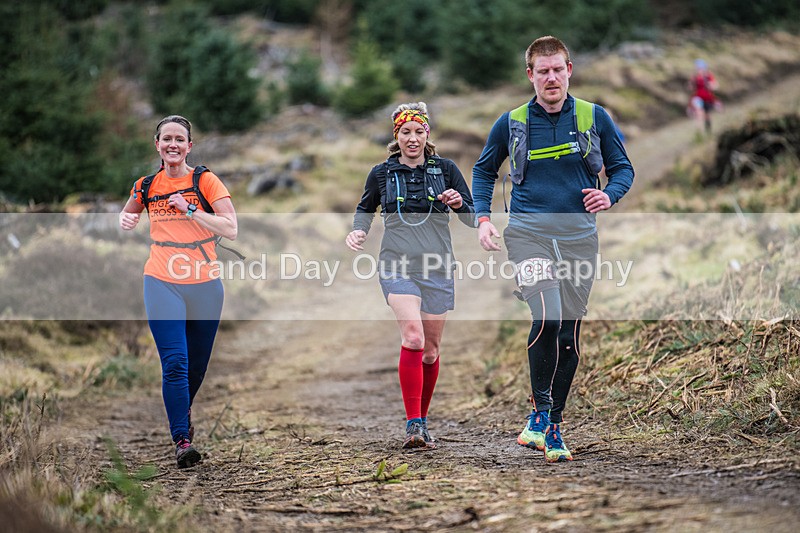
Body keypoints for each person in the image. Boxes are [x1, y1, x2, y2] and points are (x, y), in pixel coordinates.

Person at [472, 36, 634, 462]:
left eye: (557, 69)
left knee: (569, 332)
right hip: (528, 234)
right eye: (542, 71)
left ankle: (553, 423)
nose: (551, 78)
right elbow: (484, 170)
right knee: (546, 316)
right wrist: (483, 218)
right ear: (530, 75)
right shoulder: (511, 122)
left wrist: (610, 195)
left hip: (579, 237)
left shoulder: (593, 116)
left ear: (569, 69)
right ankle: (541, 411)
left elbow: (622, 168)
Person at [346, 102, 475, 449]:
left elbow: (473, 216)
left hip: (437, 267)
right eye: (406, 132)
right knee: (414, 337)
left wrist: (459, 203)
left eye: (419, 131)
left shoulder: (446, 169)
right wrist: (358, 231)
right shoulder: (381, 174)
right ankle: (413, 424)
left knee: (431, 351)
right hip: (396, 265)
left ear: (427, 134)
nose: (413, 138)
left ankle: (422, 421)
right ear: (397, 136)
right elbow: (364, 208)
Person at [119, 115, 238, 468]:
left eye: (179, 139)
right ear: (157, 145)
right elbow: (127, 216)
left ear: (189, 146)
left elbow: (230, 228)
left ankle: (181, 412)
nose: (173, 144)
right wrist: (123, 220)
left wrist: (191, 209)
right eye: (166, 139)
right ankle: (182, 440)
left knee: (196, 368)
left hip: (204, 283)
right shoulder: (145, 186)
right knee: (175, 362)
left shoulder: (205, 180)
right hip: (160, 280)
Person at [688, 58, 719, 134]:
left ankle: (708, 130)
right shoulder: (695, 77)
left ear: (704, 68)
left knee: (707, 115)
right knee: (698, 114)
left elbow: (716, 85)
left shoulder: (708, 76)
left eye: (700, 68)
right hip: (697, 98)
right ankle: (699, 132)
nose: (699, 69)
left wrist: (711, 86)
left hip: (708, 98)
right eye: (697, 68)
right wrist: (691, 85)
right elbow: (690, 87)